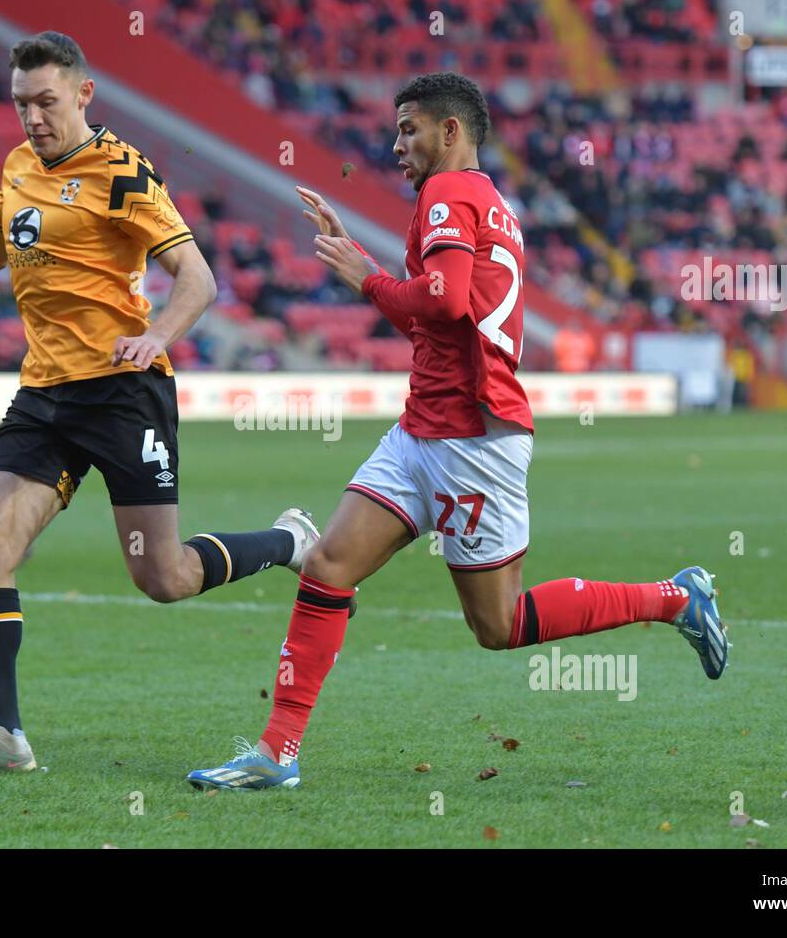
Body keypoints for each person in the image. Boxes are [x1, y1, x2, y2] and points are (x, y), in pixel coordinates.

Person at [187, 72, 729, 791]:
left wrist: (369, 280)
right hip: (425, 426)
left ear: (451, 131)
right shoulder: (492, 203)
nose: (396, 143)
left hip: (473, 436)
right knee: (328, 565)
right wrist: (371, 272)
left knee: (497, 625)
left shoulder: (449, 192)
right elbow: (445, 311)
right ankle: (277, 751)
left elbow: (438, 303)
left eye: (409, 128)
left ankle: (675, 597)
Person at [0, 32, 317, 772]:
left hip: (124, 392)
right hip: (45, 392)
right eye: (21, 103)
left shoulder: (123, 173)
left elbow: (198, 279)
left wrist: (155, 336)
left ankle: (288, 542)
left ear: (84, 94)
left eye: (46, 101)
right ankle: (3, 735)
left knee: (163, 577)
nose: (32, 118)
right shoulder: (18, 167)